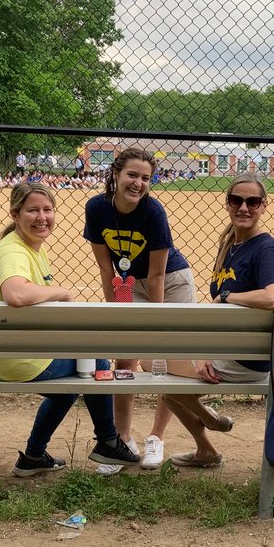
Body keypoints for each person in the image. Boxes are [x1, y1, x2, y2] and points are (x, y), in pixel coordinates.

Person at [0, 182, 129, 475]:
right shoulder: (13, 252)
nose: (42, 217)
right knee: (93, 361)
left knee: (69, 385)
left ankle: (33, 456)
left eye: (47, 210)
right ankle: (108, 440)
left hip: (3, 353)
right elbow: (16, 294)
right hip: (15, 360)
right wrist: (61, 292)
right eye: (33, 210)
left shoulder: (29, 247)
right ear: (15, 213)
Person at [158, 174, 274, 469]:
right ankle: (206, 448)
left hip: (246, 357)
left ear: (264, 206)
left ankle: (211, 423)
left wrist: (228, 298)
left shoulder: (266, 248)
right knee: (161, 377)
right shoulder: (231, 245)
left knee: (159, 371)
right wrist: (202, 350)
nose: (243, 207)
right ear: (227, 203)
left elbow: (273, 298)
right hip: (228, 348)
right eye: (236, 200)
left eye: (252, 202)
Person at [84, 147, 197, 468]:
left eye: (146, 178)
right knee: (126, 356)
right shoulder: (97, 208)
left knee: (168, 357)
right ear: (115, 175)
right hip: (131, 282)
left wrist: (155, 323)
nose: (138, 183)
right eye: (132, 175)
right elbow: (107, 270)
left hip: (170, 281)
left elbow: (159, 273)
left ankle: (156, 438)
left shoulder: (153, 212)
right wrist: (115, 313)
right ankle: (122, 439)